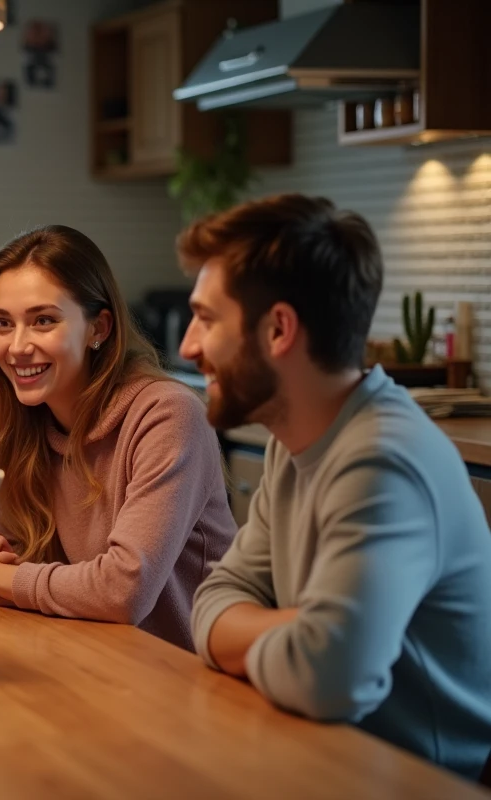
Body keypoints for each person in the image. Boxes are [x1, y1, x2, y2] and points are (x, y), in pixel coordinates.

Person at [181, 193, 491, 780]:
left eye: (208, 318)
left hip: (410, 778)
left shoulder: (382, 460)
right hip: (317, 753)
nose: (188, 346)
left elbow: (329, 679)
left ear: (278, 330)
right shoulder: (292, 438)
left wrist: (309, 633)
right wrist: (306, 624)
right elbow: (215, 600)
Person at [0, 224, 235, 651]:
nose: (17, 346)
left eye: (43, 320)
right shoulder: (15, 423)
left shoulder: (167, 413)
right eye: (2, 324)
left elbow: (123, 590)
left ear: (99, 328)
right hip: (82, 654)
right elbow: (10, 572)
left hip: (182, 678)